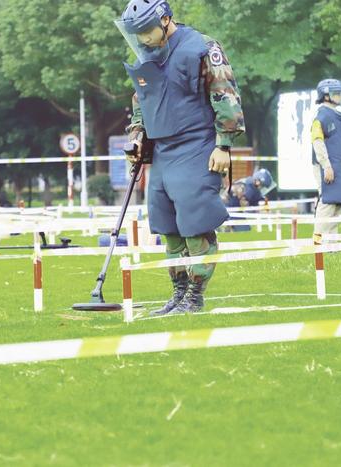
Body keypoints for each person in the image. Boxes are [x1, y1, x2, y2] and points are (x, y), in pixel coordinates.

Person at [116, 0, 245, 314]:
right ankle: (178, 294)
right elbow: (140, 103)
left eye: (147, 31)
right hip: (162, 152)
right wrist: (137, 138)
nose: (144, 39)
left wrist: (224, 145)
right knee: (167, 226)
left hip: (198, 146)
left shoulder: (202, 48)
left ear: (165, 19)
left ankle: (194, 298)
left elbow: (224, 91)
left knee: (195, 222)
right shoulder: (149, 57)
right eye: (138, 34)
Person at [311, 79, 341, 236]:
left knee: (336, 205)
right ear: (326, 95)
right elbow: (317, 141)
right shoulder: (321, 115)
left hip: (339, 165)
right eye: (335, 93)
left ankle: (331, 244)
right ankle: (318, 242)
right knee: (327, 202)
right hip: (328, 165)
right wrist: (326, 165)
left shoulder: (337, 113)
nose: (339, 96)